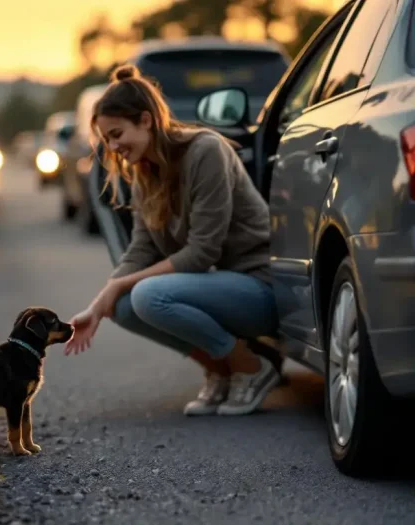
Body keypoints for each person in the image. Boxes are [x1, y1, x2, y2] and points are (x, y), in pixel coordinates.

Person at [65, 64, 280, 417]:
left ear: (146, 121)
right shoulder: (144, 174)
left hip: (260, 287)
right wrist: (100, 303)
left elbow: (202, 253)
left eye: (117, 134)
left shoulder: (205, 151)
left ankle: (250, 366)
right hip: (222, 289)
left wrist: (116, 286)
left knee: (148, 295)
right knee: (123, 307)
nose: (114, 147)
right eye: (107, 140)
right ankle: (219, 369)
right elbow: (141, 249)